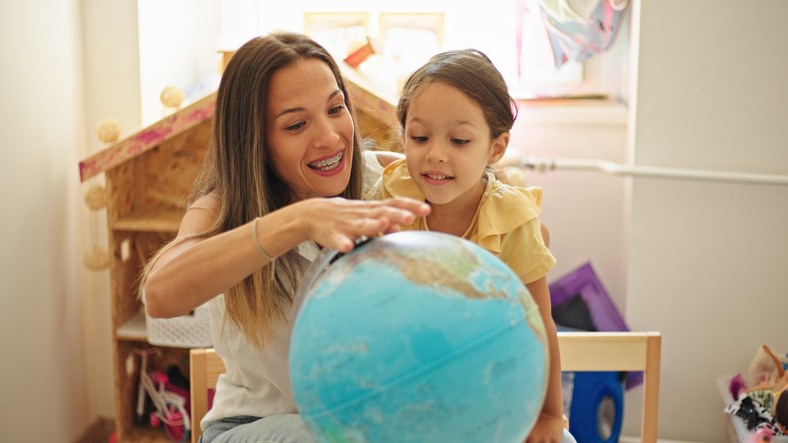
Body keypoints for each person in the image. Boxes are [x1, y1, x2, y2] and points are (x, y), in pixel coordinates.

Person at [141, 32, 429, 443]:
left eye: (336, 108)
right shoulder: (221, 210)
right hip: (251, 428)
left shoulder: (382, 177)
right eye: (296, 124)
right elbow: (161, 295)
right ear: (254, 141)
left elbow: (514, 215)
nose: (330, 136)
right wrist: (297, 220)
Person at [366, 49, 574, 443]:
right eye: (419, 137)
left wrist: (549, 415)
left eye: (459, 140)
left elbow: (539, 323)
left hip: (489, 382)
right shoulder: (392, 196)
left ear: (496, 148)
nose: (435, 154)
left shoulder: (513, 219)